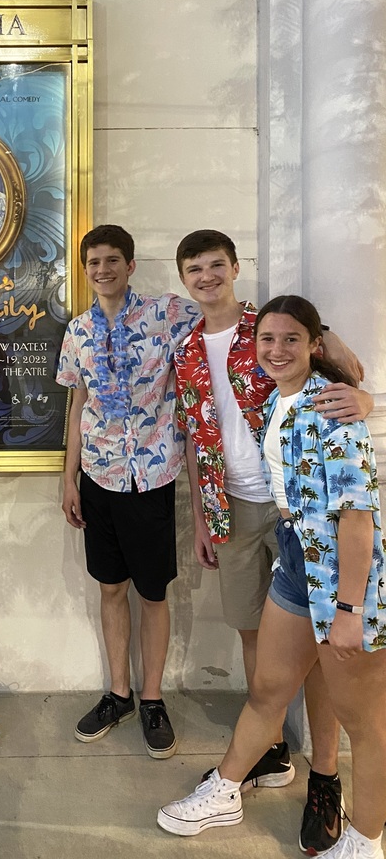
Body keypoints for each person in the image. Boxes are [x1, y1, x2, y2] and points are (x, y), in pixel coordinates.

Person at [158, 295, 386, 859]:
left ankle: (365, 839)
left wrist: (350, 609)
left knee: (365, 722)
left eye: (291, 339)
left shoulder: (332, 409)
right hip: (293, 559)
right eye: (267, 339)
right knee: (268, 689)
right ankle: (226, 790)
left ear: (314, 344)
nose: (276, 350)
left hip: (338, 574)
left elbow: (358, 519)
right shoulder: (273, 400)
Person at [57, 225, 201, 759]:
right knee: (111, 587)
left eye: (112, 260)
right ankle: (119, 694)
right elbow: (77, 403)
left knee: (153, 593)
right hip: (99, 476)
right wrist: (68, 477)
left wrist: (322, 336)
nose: (103, 269)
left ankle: (153, 698)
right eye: (93, 262)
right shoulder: (78, 330)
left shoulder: (167, 314)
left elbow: (231, 320)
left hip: (151, 479)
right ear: (85, 270)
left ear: (130, 265)